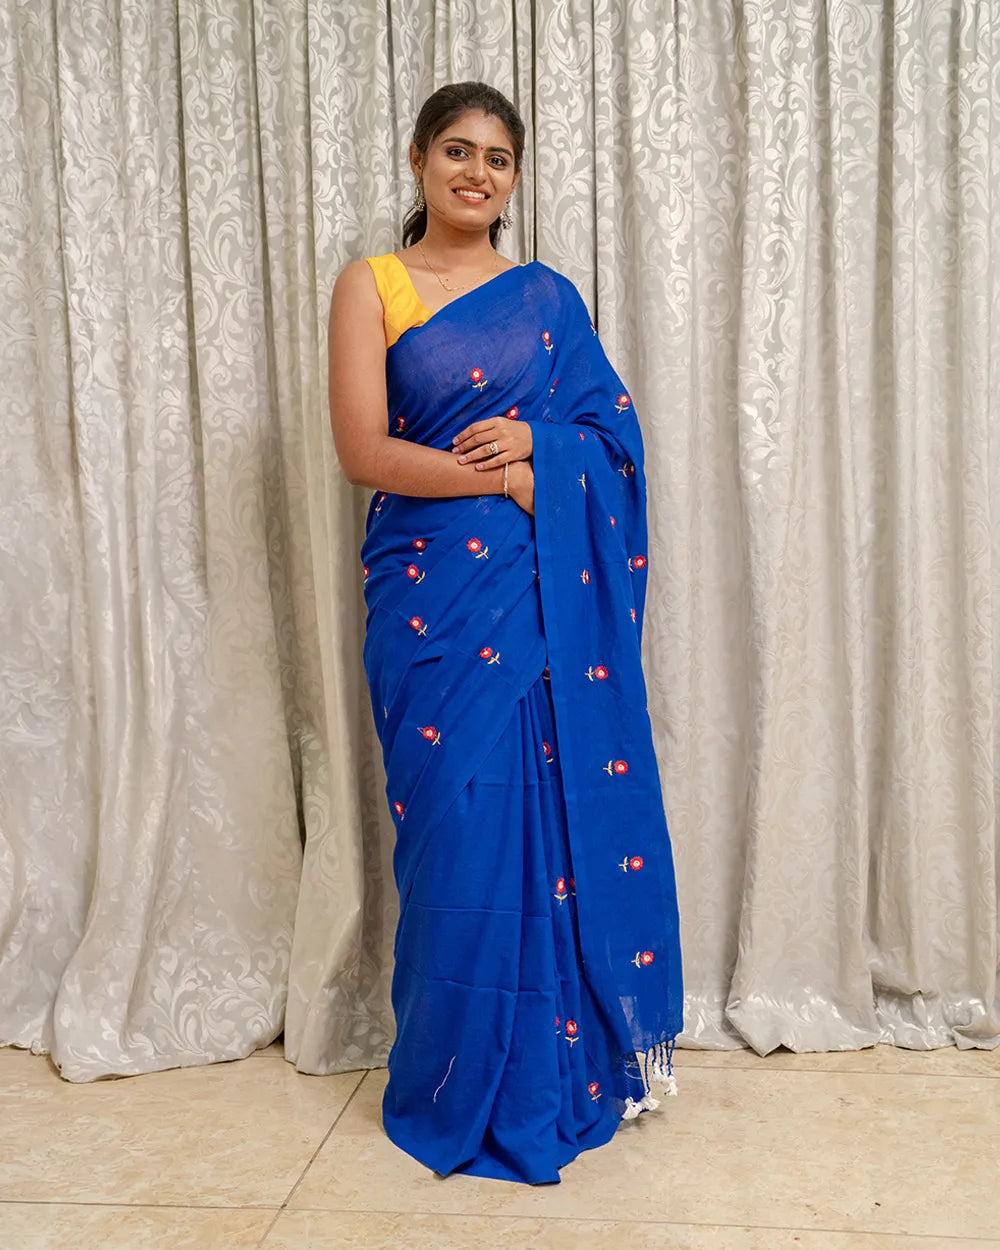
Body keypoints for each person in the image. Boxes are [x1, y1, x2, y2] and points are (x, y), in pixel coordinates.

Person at [328, 81, 683, 1185]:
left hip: (535, 598)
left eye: (496, 158)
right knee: (458, 833)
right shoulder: (372, 285)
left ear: (514, 178)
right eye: (456, 151)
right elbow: (365, 453)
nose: (475, 173)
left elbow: (612, 444)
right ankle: (449, 1076)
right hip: (427, 602)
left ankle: (549, 1070)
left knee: (548, 820)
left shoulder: (547, 300)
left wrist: (542, 455)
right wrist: (509, 483)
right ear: (418, 160)